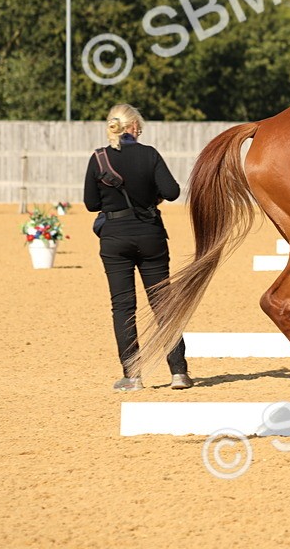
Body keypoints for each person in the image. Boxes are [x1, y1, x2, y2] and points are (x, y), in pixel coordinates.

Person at [84, 103, 192, 392]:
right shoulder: (150, 154)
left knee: (123, 307)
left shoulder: (98, 158)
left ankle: (132, 376)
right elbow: (172, 191)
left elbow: (91, 203)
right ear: (133, 127)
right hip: (150, 235)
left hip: (115, 238)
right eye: (139, 128)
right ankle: (179, 372)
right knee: (163, 305)